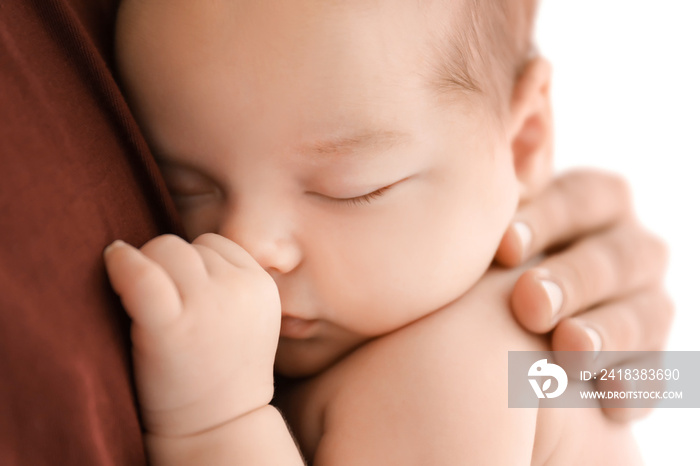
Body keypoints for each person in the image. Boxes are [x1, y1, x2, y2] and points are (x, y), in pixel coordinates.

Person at [0, 0, 671, 464]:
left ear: (524, 143)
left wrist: (216, 421)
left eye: (350, 190)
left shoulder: (455, 369)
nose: (247, 244)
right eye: (186, 188)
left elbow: (668, 385)